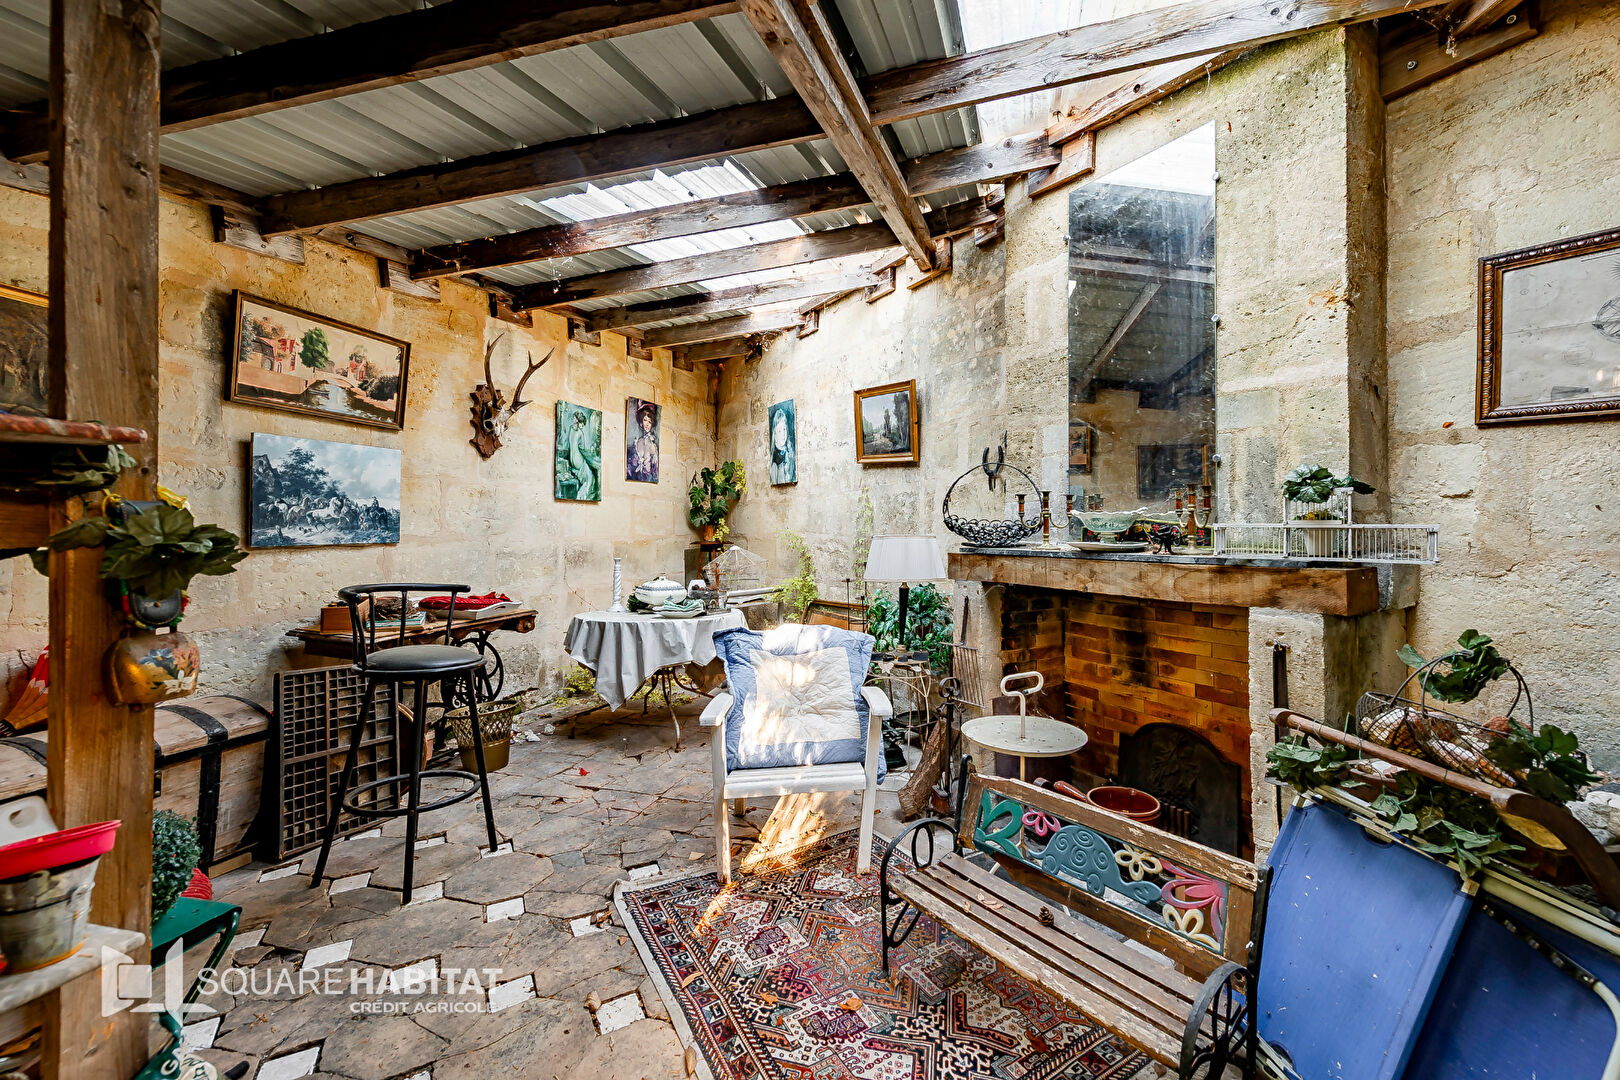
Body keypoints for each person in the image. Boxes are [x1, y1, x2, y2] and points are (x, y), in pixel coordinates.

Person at [628, 401, 658, 482]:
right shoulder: (638, 441)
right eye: (645, 420)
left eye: (649, 421)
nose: (647, 424)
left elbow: (654, 466)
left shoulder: (652, 443)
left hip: (649, 477)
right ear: (641, 422)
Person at [769, 404, 796, 484]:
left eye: (784, 429)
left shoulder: (790, 451)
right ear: (775, 434)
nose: (783, 434)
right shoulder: (775, 462)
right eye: (779, 431)